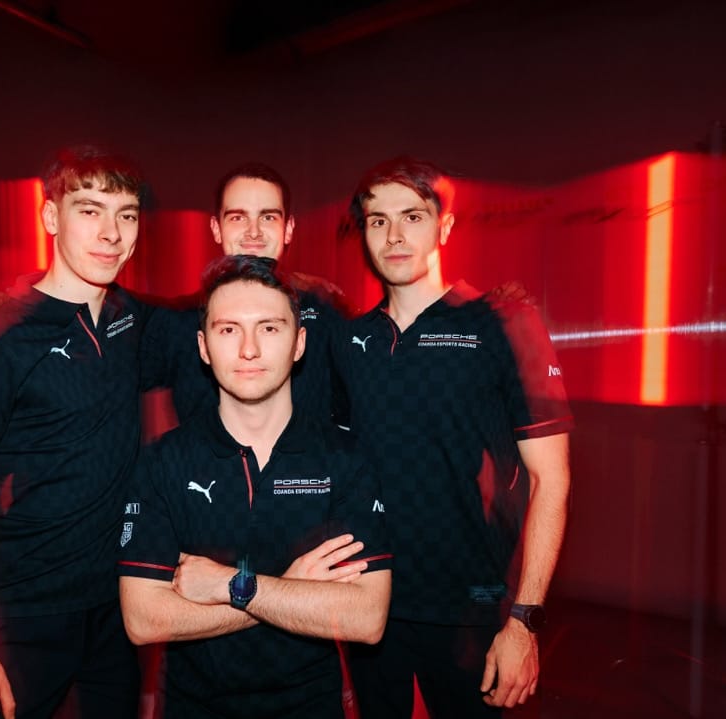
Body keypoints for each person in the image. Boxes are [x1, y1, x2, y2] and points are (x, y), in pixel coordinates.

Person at [0, 146, 149, 719]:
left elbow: (223, 318)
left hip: (114, 610)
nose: (112, 233)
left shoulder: (130, 319)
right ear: (50, 217)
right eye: (89, 210)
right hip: (21, 618)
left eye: (127, 214)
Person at [333, 157, 573, 718]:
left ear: (445, 226)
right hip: (371, 604)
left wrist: (524, 621)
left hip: (474, 610)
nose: (394, 236)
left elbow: (552, 479)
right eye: (378, 221)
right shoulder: (349, 343)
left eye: (412, 217)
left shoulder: (504, 324)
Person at [118, 255, 392, 718]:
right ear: (204, 347)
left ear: (299, 343)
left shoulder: (345, 459)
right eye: (229, 330)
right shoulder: (164, 461)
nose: (249, 349)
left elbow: (366, 618)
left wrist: (231, 585)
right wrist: (289, 590)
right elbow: (144, 620)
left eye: (269, 328)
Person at [140, 163, 353, 427]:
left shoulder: (325, 311)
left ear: (288, 228)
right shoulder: (176, 321)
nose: (254, 232)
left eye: (268, 217)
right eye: (238, 218)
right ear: (216, 228)